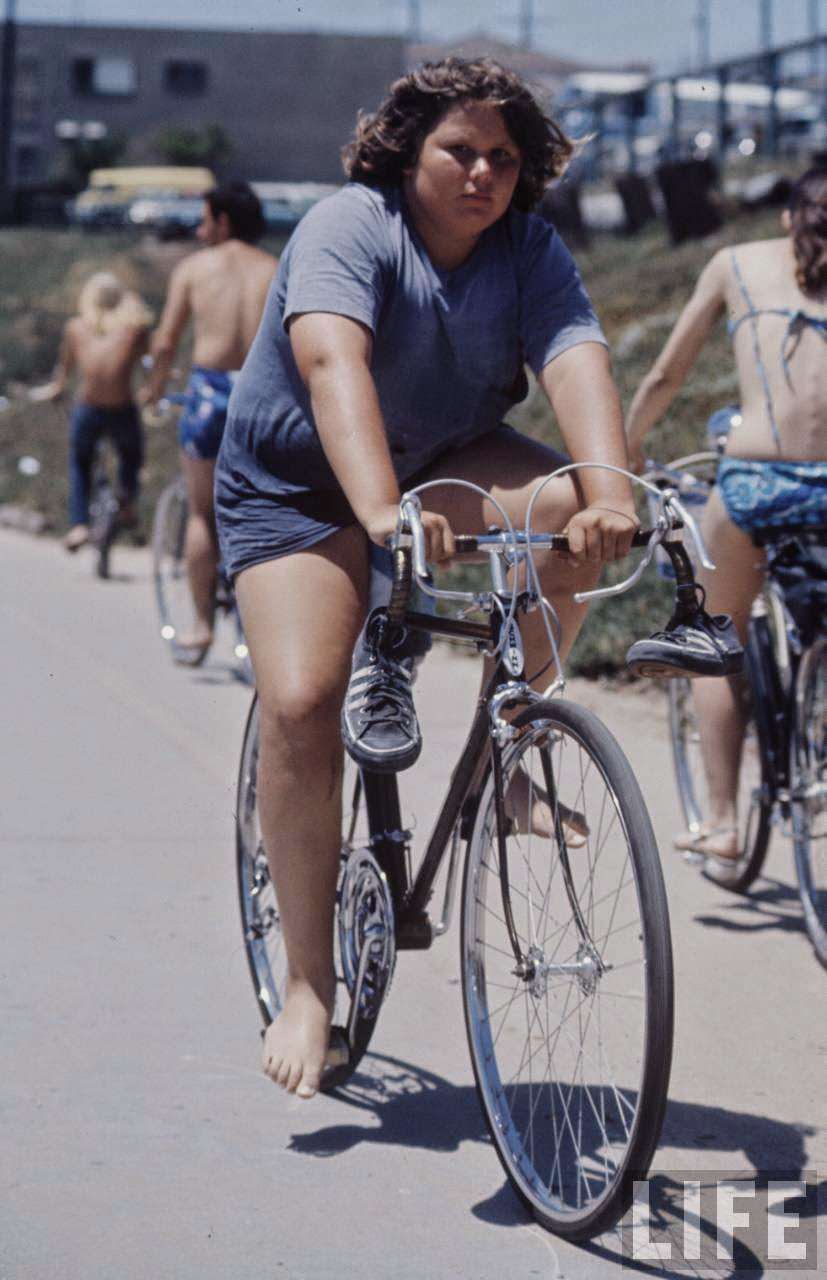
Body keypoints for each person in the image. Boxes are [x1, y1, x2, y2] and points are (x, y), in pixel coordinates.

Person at [214, 57, 640, 1099]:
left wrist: (609, 496)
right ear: (409, 152)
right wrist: (376, 517)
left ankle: (513, 744)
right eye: (460, 150)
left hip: (441, 458)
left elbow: (575, 357)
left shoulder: (527, 250)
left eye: (503, 157)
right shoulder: (349, 227)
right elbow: (330, 367)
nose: (482, 172)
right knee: (306, 699)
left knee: (572, 521)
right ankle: (311, 984)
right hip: (301, 487)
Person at [626, 167, 827, 881]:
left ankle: (720, 822)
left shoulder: (734, 264)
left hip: (757, 481)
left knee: (714, 634)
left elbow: (664, 377)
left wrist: (624, 452)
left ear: (785, 218)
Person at [141, 181, 277, 660]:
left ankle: (200, 624)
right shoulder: (275, 269)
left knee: (203, 513)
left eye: (205, 220)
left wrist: (154, 388)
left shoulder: (195, 269)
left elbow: (165, 342)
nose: (200, 231)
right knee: (263, 513)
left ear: (223, 220)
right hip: (261, 395)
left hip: (210, 392)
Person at [31, 272, 152, 551]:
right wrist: (151, 390)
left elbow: (63, 371)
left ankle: (79, 525)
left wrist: (57, 389)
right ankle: (126, 502)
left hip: (88, 407)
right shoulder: (134, 328)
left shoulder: (75, 327)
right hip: (122, 407)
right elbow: (146, 365)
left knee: (80, 462)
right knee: (132, 456)